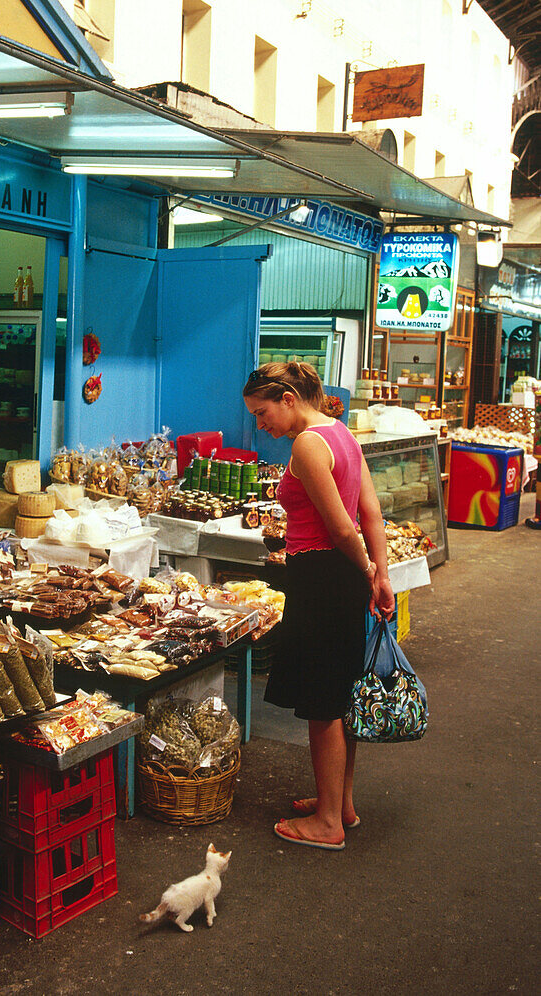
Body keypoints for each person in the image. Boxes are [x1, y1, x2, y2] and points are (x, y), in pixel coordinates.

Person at [243, 361, 395, 851]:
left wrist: (370, 569)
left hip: (321, 576)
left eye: (262, 412)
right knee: (339, 693)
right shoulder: (340, 432)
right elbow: (372, 511)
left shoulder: (308, 443)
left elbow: (343, 528)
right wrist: (380, 573)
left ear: (288, 398)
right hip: (341, 578)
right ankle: (341, 803)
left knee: (321, 704)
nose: (260, 424)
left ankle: (328, 822)